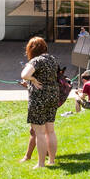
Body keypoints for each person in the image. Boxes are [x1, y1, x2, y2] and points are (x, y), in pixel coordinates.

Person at [20, 37, 63, 168]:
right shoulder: (53, 59)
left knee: (39, 132)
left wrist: (32, 79)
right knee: (50, 131)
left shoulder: (36, 61)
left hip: (39, 98)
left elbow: (24, 75)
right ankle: (52, 160)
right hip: (53, 96)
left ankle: (41, 163)